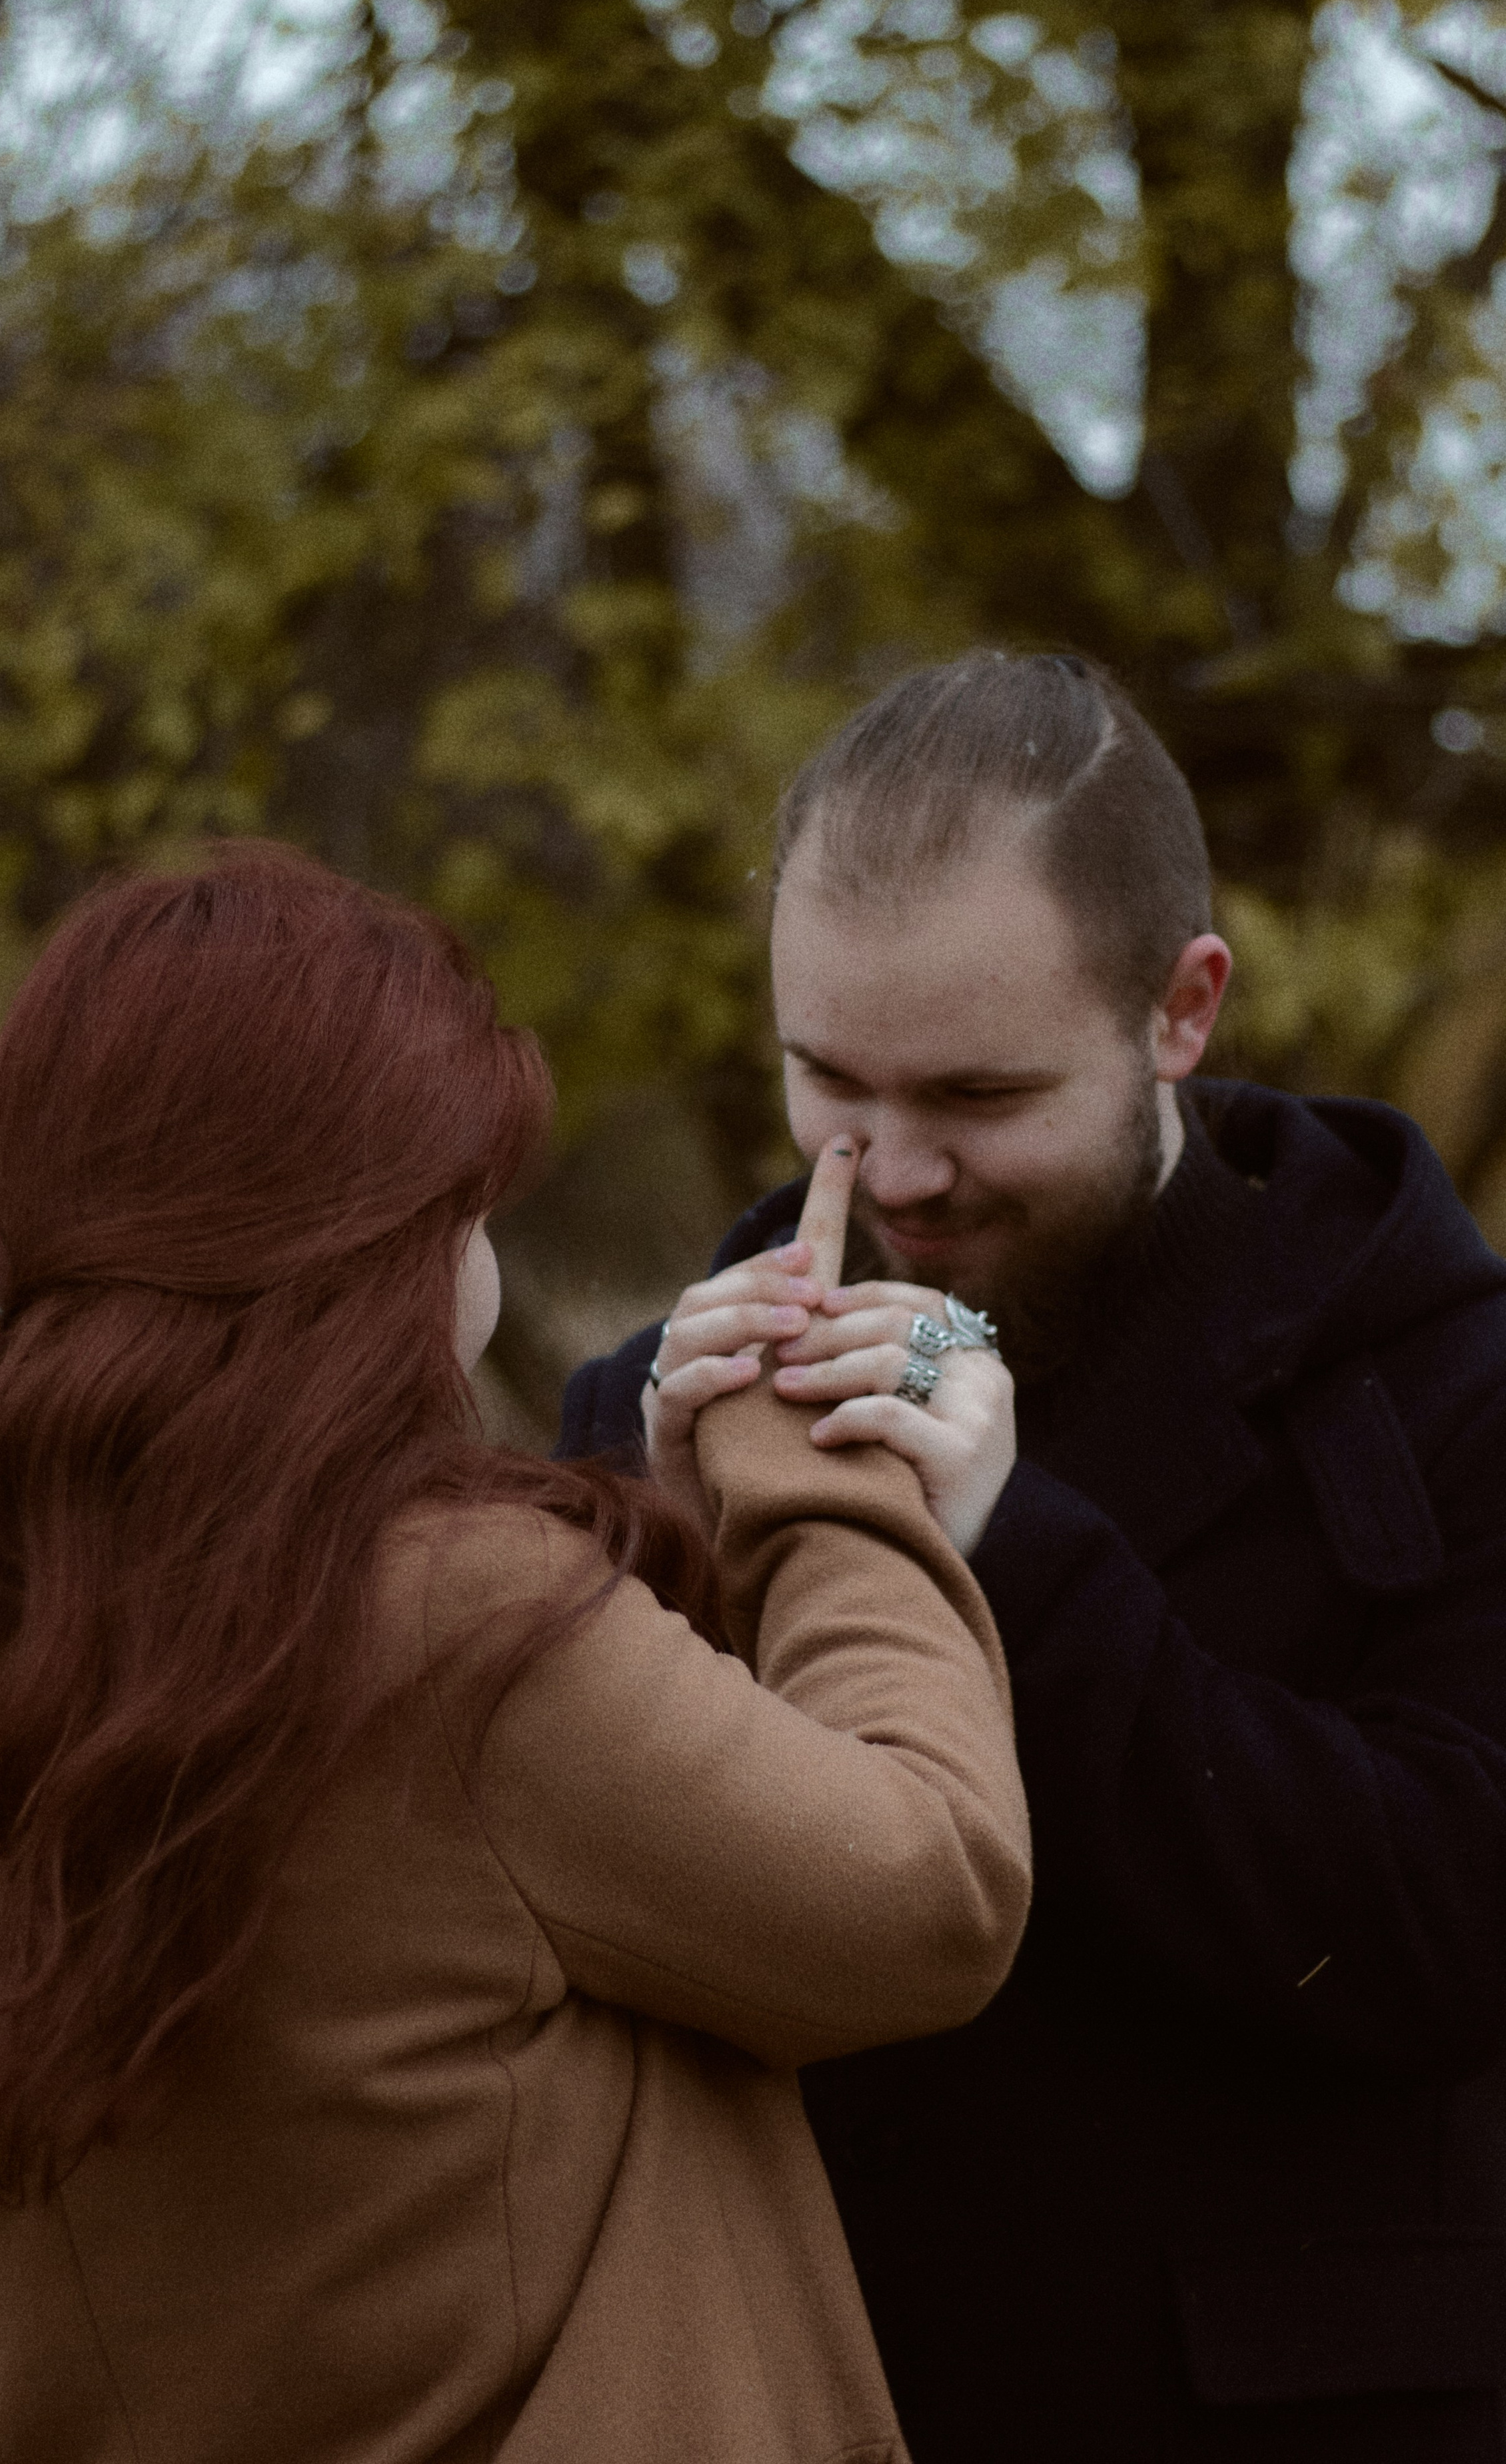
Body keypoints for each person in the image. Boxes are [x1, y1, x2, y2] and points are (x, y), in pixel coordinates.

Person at [0, 840, 1030, 2464]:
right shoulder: (435, 1618)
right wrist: (826, 1475)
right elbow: (923, 1889)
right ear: (371, 1248)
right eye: (467, 1210)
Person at [561, 652, 1506, 2463]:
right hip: (812, 2400)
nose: (895, 1167)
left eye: (980, 1095)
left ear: (1182, 1008)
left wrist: (1023, 1549)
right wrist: (650, 1541)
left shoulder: (1449, 1376)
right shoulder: (648, 1401)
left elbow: (1447, 1930)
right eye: (826, 1077)